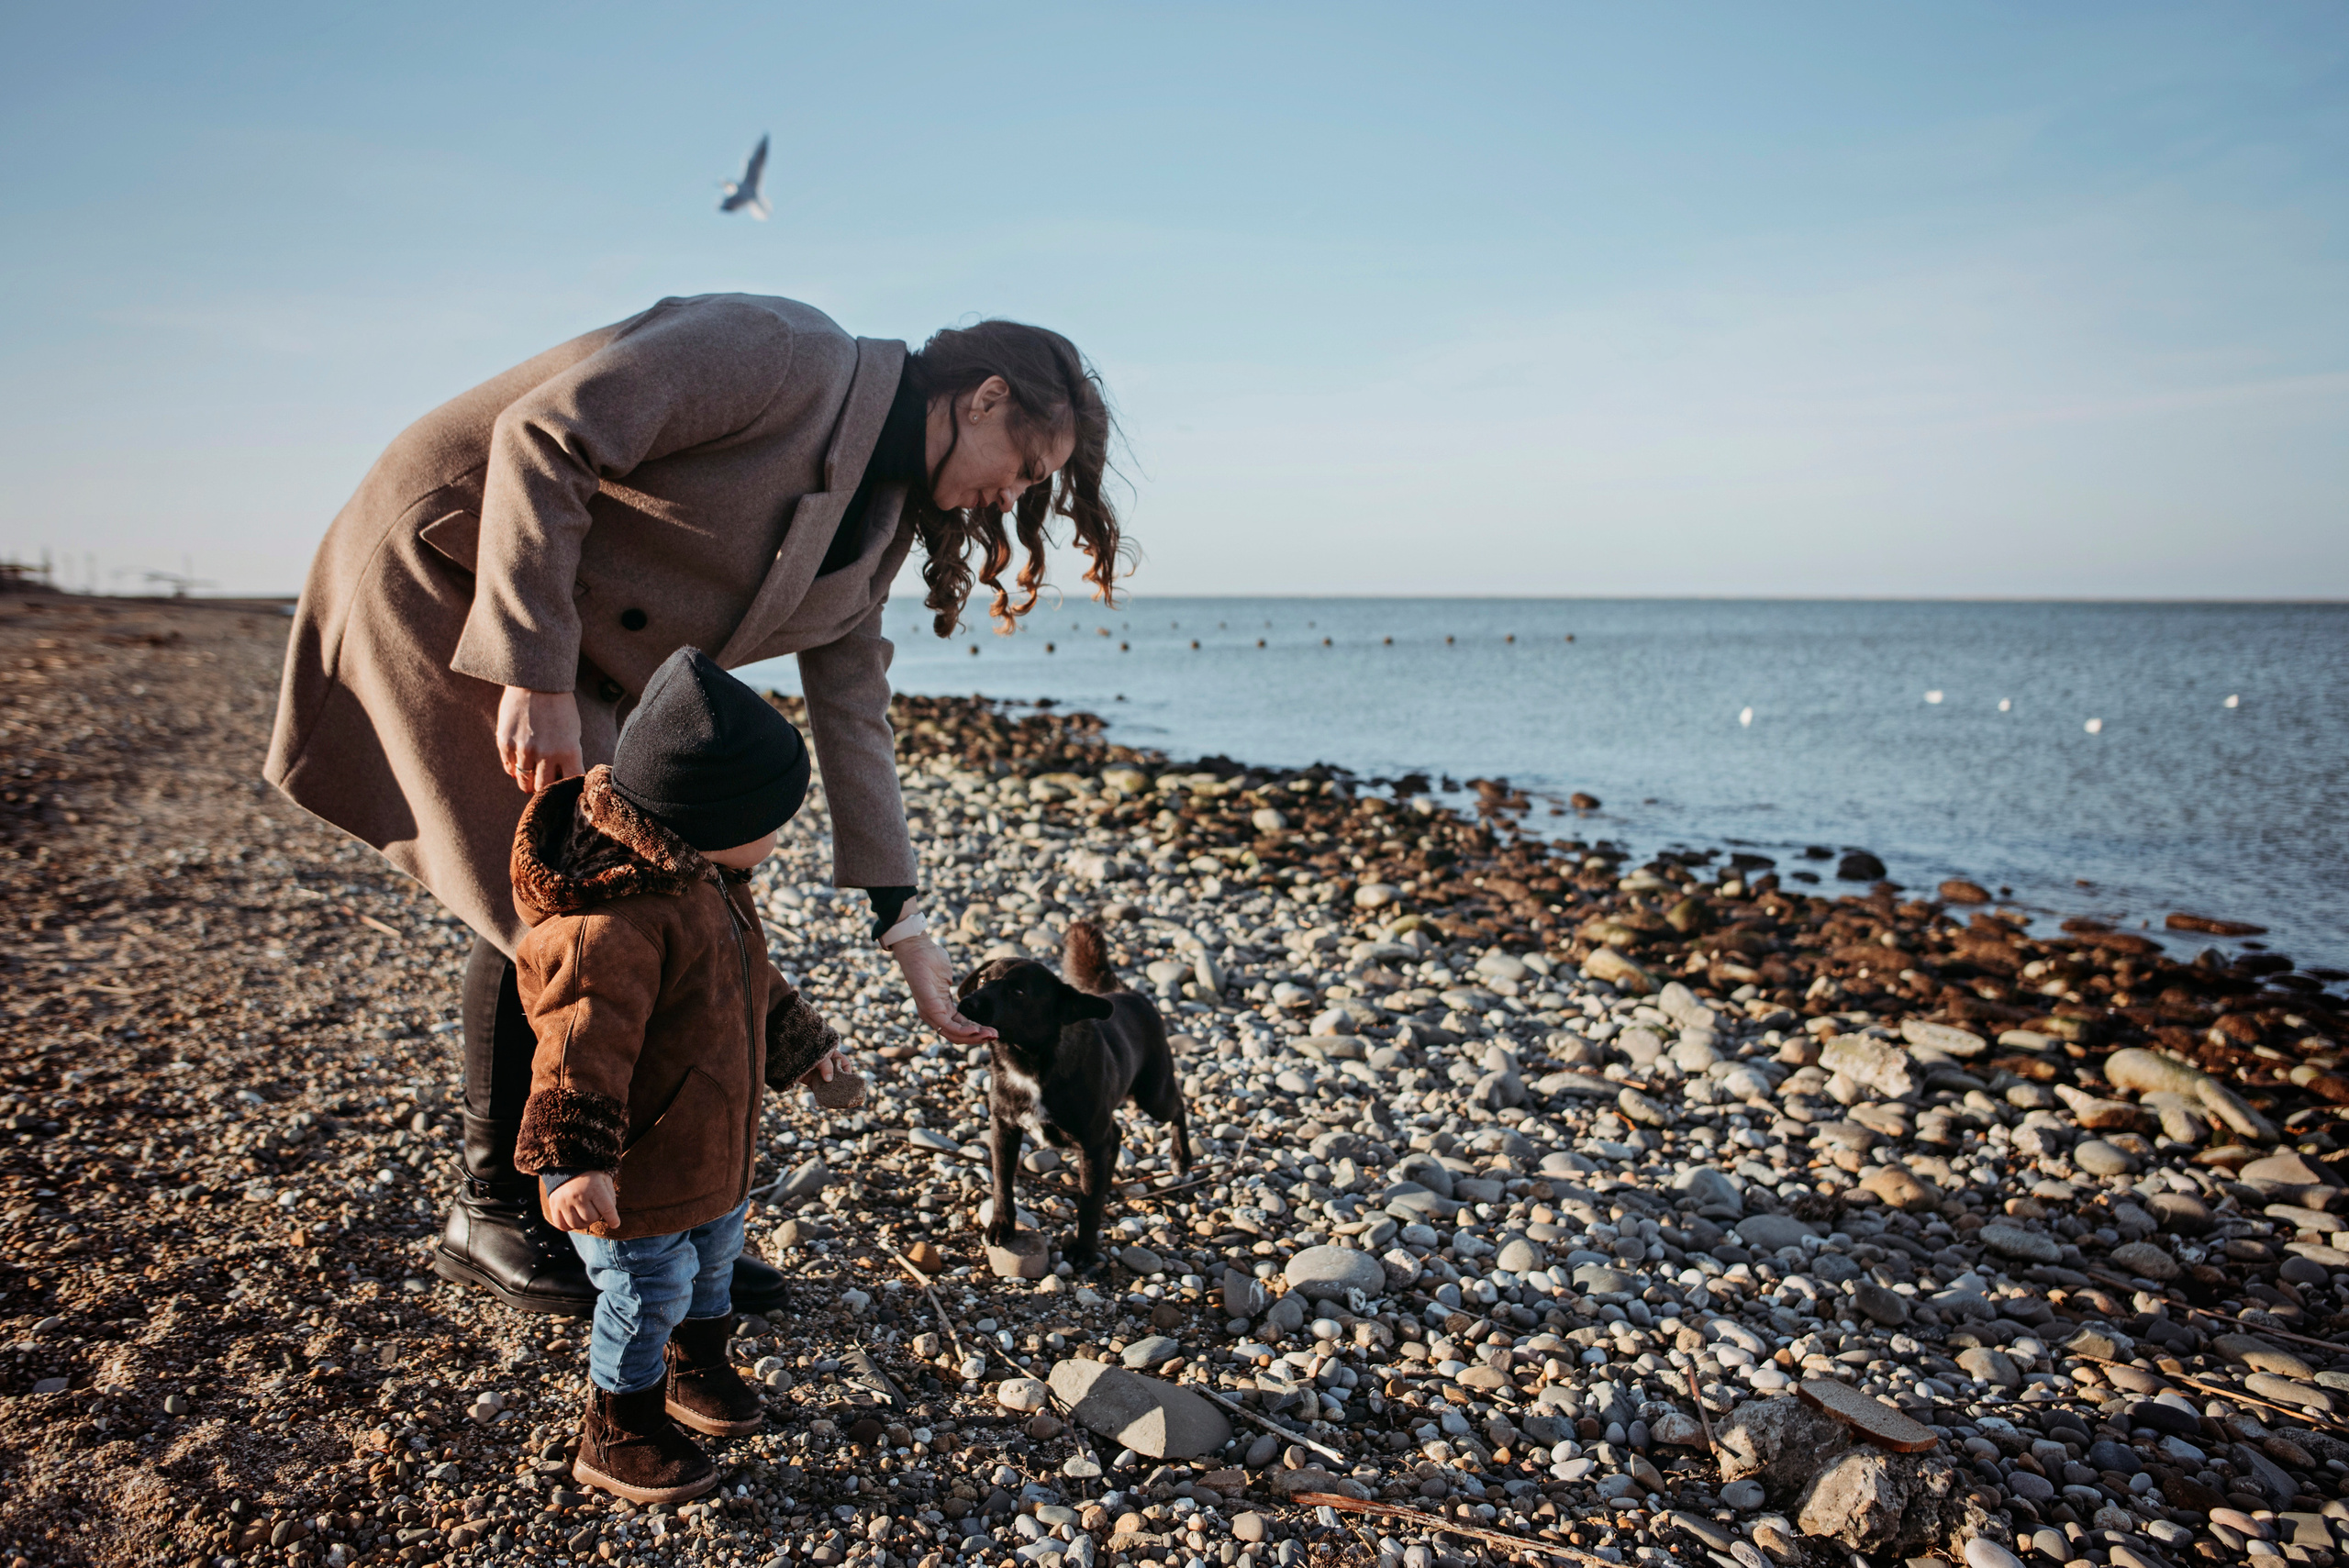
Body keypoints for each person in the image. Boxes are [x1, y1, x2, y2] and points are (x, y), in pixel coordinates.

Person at [264, 295, 1120, 1318]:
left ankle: (641, 1218)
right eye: (1024, 470)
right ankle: (492, 1208)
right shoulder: (780, 353)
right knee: (554, 889)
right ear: (985, 398)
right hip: (460, 576)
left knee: (625, 900)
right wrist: (530, 669)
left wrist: (907, 925)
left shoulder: (886, 516)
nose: (1006, 500)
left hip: (580, 656)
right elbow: (545, 434)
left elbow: (852, 706)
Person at [514, 646, 841, 1504]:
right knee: (646, 1291)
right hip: (640, 1169)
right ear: (706, 814)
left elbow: (748, 982)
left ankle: (697, 1373)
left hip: (711, 1151)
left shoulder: (714, 881)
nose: (780, 835)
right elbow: (579, 1043)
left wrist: (802, 1044)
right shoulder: (612, 927)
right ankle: (620, 1430)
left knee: (716, 1263)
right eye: (772, 818)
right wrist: (574, 1161)